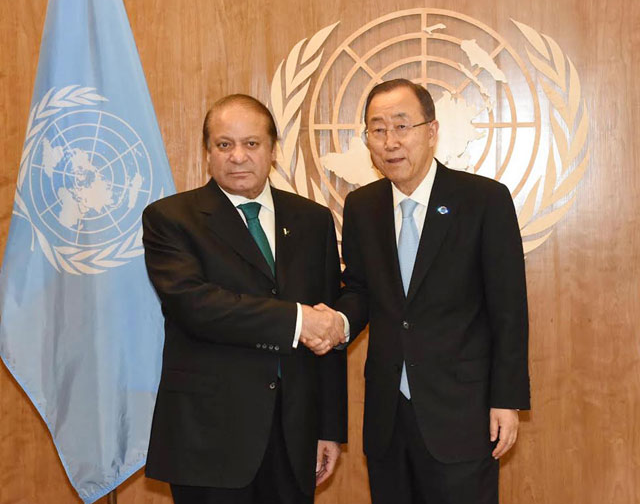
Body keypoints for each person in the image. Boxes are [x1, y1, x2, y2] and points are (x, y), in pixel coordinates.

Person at [142, 94, 348, 504]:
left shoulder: (312, 220)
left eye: (251, 144)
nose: (238, 156)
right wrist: (296, 321)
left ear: (272, 150)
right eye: (224, 144)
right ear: (207, 153)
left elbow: (326, 327)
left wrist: (329, 428)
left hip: (293, 436)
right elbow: (197, 306)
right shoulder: (170, 219)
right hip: (209, 438)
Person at [332, 79, 530, 504]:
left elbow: (508, 308)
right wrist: (337, 321)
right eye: (378, 129)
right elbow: (361, 290)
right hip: (388, 414)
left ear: (432, 131)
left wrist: (506, 400)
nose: (390, 142)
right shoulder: (362, 207)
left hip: (462, 411)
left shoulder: (483, 200)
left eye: (402, 126)